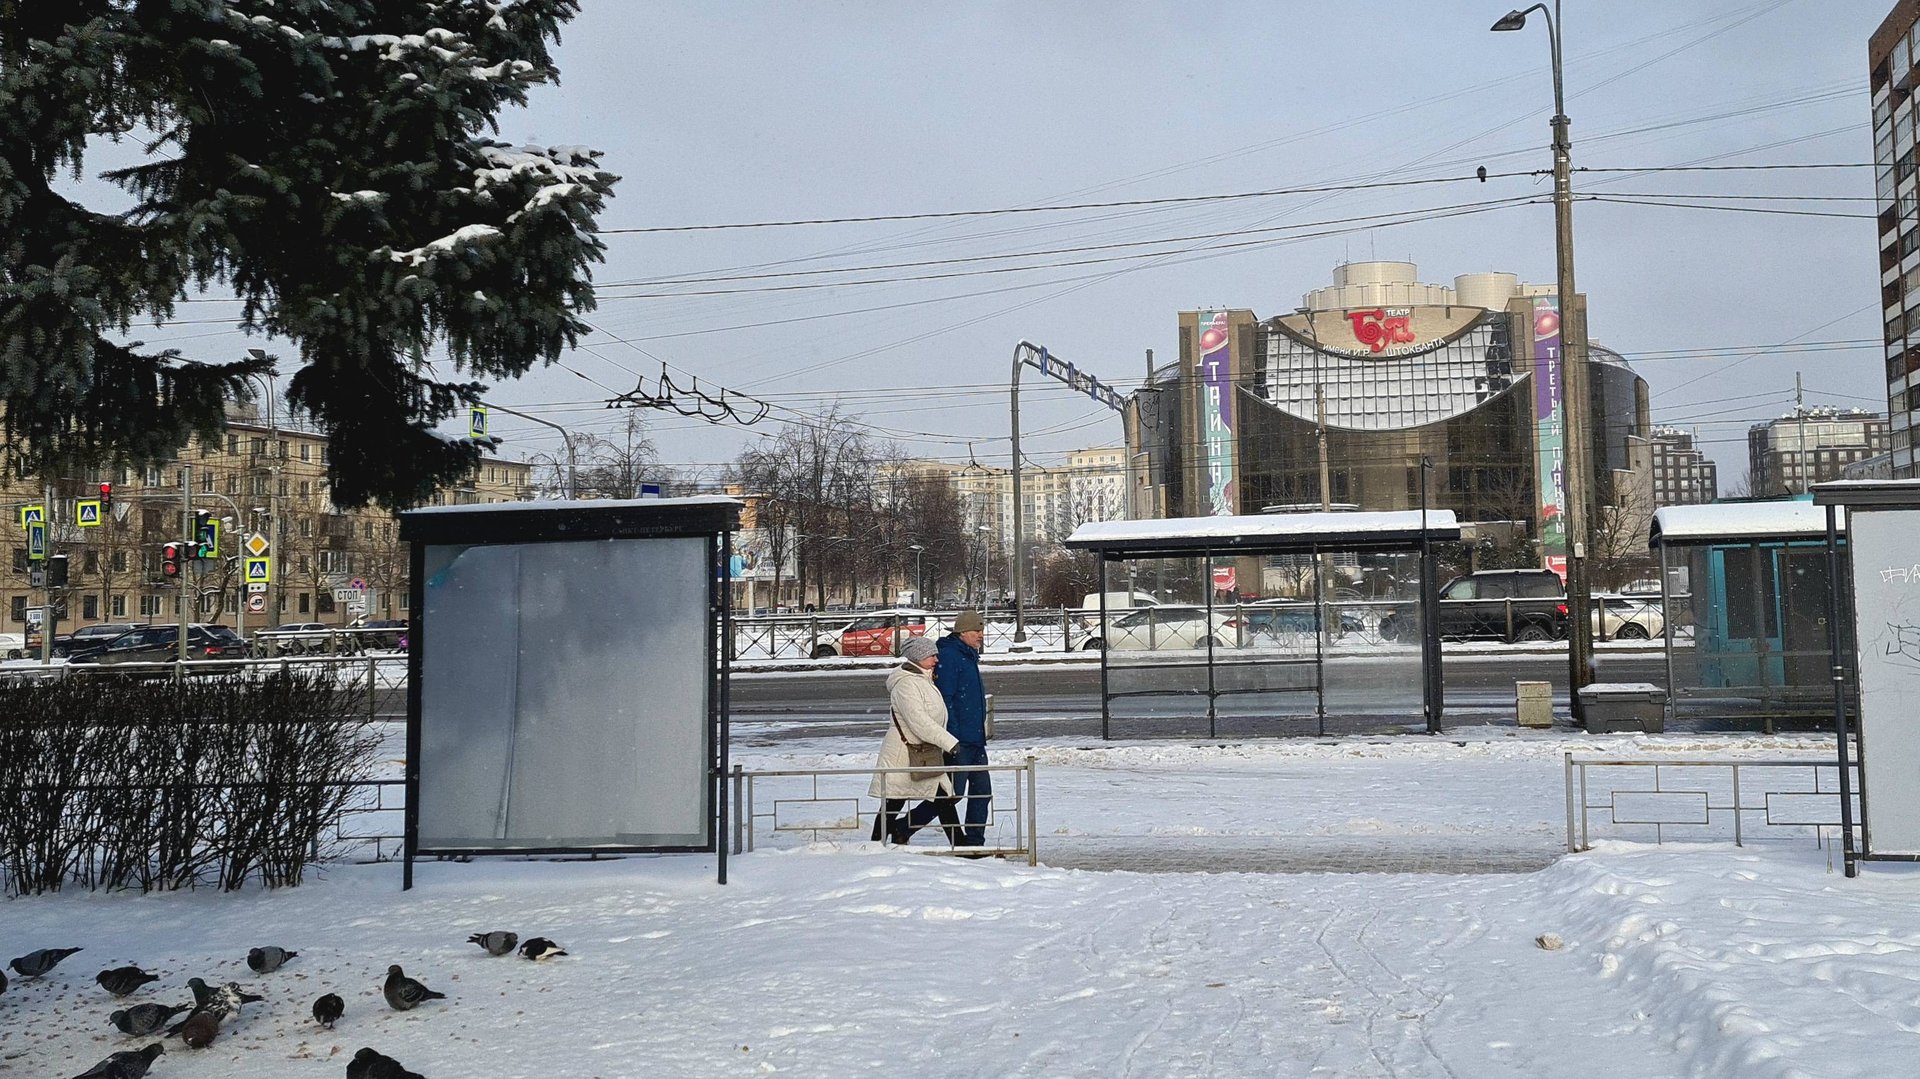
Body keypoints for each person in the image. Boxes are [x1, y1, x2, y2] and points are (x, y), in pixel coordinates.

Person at [868, 635, 960, 846]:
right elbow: (919, 722)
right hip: (904, 755)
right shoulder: (907, 685)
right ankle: (875, 846)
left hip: (921, 752)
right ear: (918, 656)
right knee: (893, 804)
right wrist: (950, 743)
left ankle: (887, 839)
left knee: (938, 800)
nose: (936, 659)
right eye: (931, 655)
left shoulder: (923, 679)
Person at [935, 609, 990, 847]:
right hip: (960, 741)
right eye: (977, 631)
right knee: (951, 794)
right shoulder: (950, 656)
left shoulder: (967, 655)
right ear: (963, 633)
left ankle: (975, 842)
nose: (981, 636)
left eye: (982, 631)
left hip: (975, 739)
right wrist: (954, 736)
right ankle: (904, 826)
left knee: (982, 792)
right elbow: (946, 700)